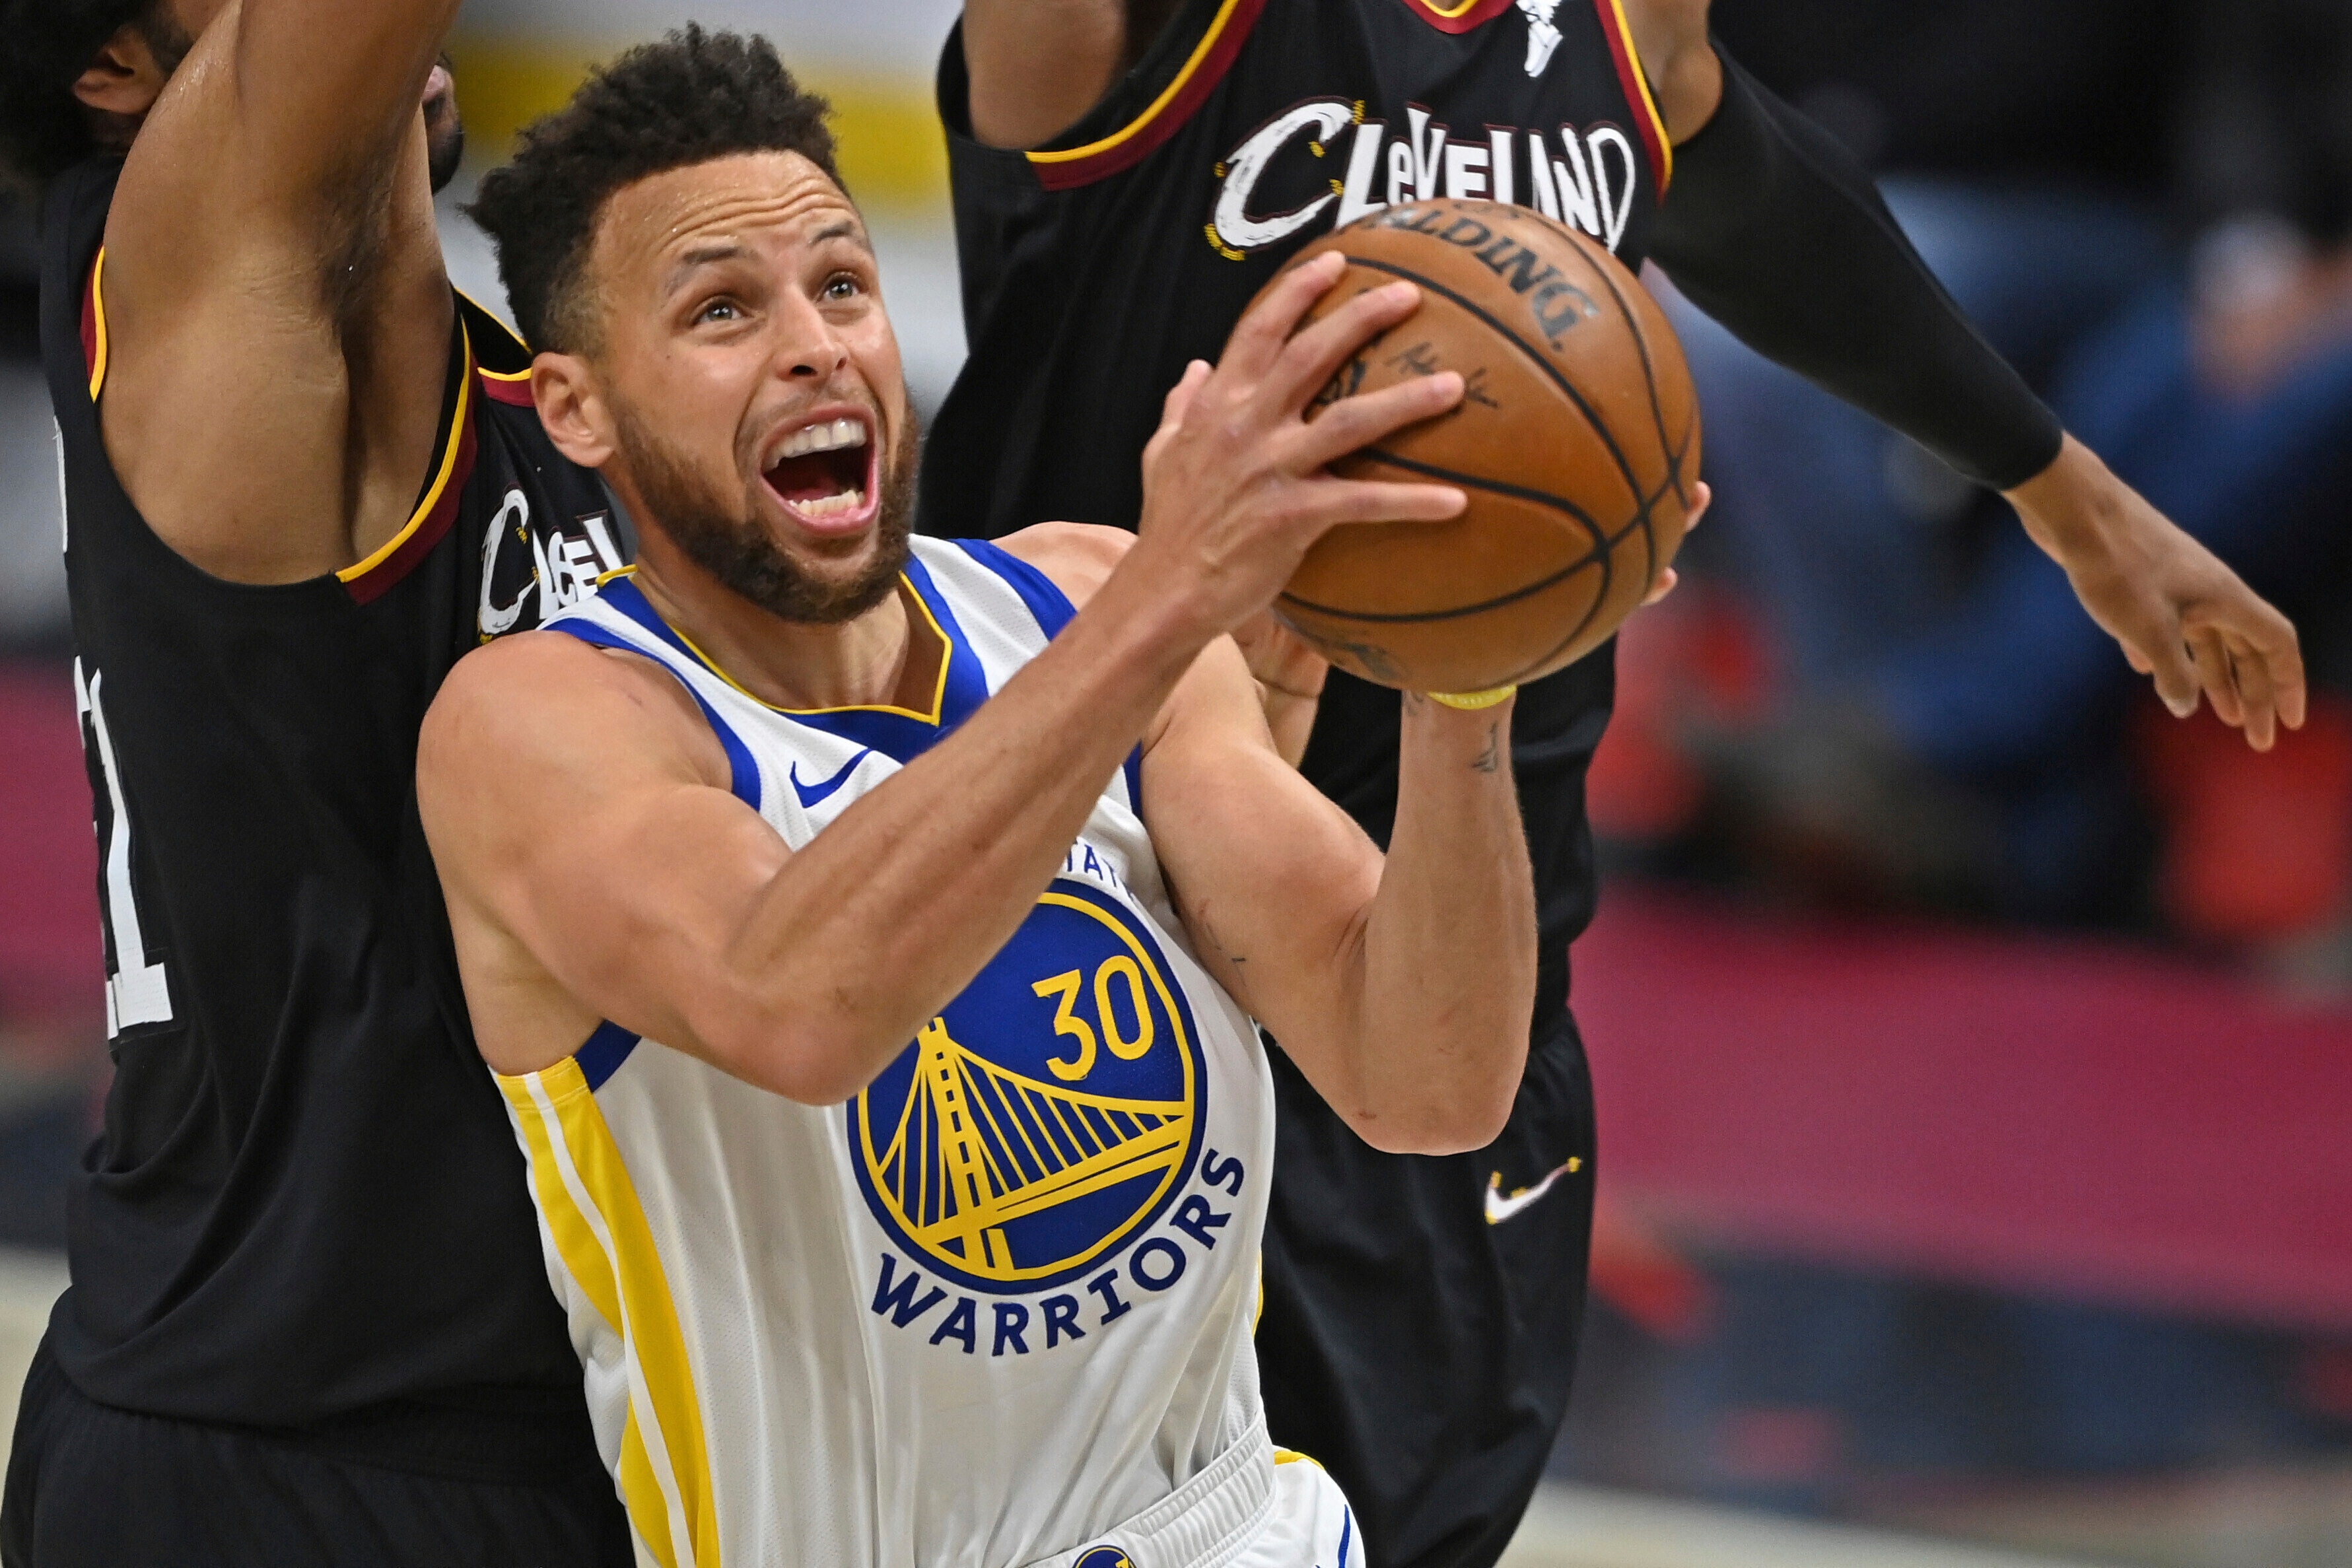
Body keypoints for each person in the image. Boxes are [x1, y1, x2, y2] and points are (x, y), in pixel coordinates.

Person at [919, 1, 2308, 1563]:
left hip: (1450, 972)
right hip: (1086, 989)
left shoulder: (1620, 29)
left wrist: (2063, 493)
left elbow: (1755, 184)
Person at [425, 29, 1543, 1567]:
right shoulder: (548, 723)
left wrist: (1465, 682)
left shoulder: (1076, 596)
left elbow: (1426, 1082)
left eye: (841, 284)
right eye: (721, 311)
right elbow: (802, 1006)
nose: (816, 347)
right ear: (577, 411)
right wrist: (1171, 600)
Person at [0, 1, 634, 1561]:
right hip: (285, 1446)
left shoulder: (487, 387)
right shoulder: (197, 244)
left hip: (496, 1426)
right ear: (117, 77)